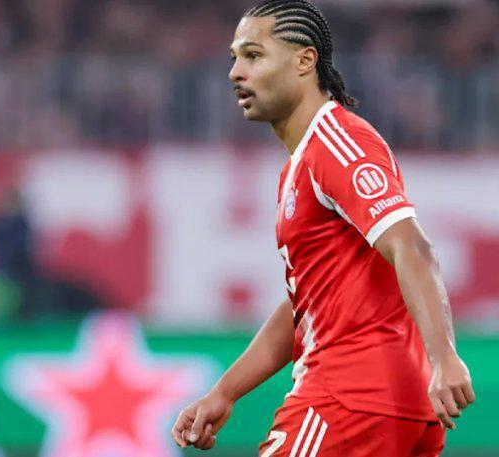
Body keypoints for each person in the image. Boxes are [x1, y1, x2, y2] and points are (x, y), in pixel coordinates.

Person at [170, 1, 475, 456]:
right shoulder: (302, 163)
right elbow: (305, 305)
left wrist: (445, 358)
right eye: (234, 58)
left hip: (348, 399)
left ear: (304, 60)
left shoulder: (337, 142)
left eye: (253, 55)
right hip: (392, 404)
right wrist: (225, 392)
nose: (235, 72)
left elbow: (413, 247)